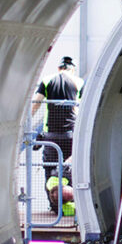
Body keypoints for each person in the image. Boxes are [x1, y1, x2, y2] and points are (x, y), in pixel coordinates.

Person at [33, 56, 83, 184]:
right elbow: (82, 108)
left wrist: (25, 124)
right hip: (71, 135)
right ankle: (70, 200)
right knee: (70, 170)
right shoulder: (79, 82)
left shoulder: (47, 80)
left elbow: (36, 103)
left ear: (59, 68)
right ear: (73, 69)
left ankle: (53, 201)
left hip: (50, 136)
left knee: (49, 169)